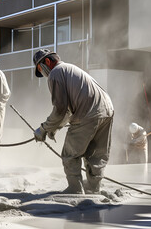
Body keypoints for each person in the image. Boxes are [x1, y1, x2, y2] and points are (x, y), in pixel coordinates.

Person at [33, 49, 114, 194]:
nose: (43, 74)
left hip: (88, 113)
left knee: (70, 154)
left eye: (40, 69)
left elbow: (60, 109)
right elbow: (68, 110)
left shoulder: (55, 73)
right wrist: (55, 128)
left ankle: (75, 189)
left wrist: (43, 129)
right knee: (95, 155)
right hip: (107, 110)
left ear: (47, 61)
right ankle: (94, 188)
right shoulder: (70, 68)